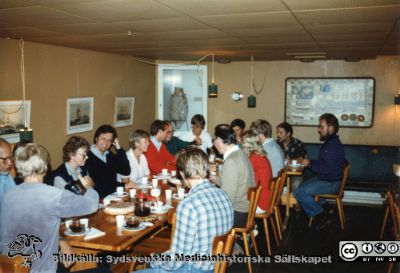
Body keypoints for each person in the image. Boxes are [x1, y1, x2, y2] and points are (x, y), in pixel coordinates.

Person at [0, 143, 99, 273]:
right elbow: (92, 205)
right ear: (45, 167)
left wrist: (60, 241)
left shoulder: (7, 196)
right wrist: (86, 186)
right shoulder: (53, 195)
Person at [138, 147, 233, 273]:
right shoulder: (224, 195)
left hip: (193, 269)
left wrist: (154, 260)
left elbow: (176, 261)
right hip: (216, 266)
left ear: (182, 174)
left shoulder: (188, 205)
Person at [294, 113, 346, 230]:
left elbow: (328, 169)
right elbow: (324, 164)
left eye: (321, 126)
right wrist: (309, 162)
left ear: (331, 128)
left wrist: (310, 163)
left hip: (331, 182)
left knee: (299, 192)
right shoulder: (331, 142)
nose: (318, 129)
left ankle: (322, 216)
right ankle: (325, 207)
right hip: (328, 179)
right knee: (301, 186)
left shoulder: (332, 145)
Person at [211, 124, 255, 228]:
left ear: (220, 139)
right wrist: (212, 177)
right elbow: (231, 183)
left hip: (237, 213)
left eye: (214, 139)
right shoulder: (240, 153)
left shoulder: (231, 161)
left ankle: (222, 243)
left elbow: (227, 198)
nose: (213, 144)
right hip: (245, 210)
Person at [85, 125, 130, 198]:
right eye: (103, 139)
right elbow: (99, 186)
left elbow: (126, 170)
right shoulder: (87, 158)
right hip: (99, 199)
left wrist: (119, 148)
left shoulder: (109, 155)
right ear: (96, 138)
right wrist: (123, 185)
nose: (106, 143)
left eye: (109, 140)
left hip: (113, 195)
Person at [242, 130, 273, 214]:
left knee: (233, 205)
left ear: (247, 144)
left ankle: (247, 225)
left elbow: (242, 178)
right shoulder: (260, 155)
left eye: (242, 143)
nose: (241, 145)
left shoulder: (254, 158)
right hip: (266, 198)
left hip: (260, 203)